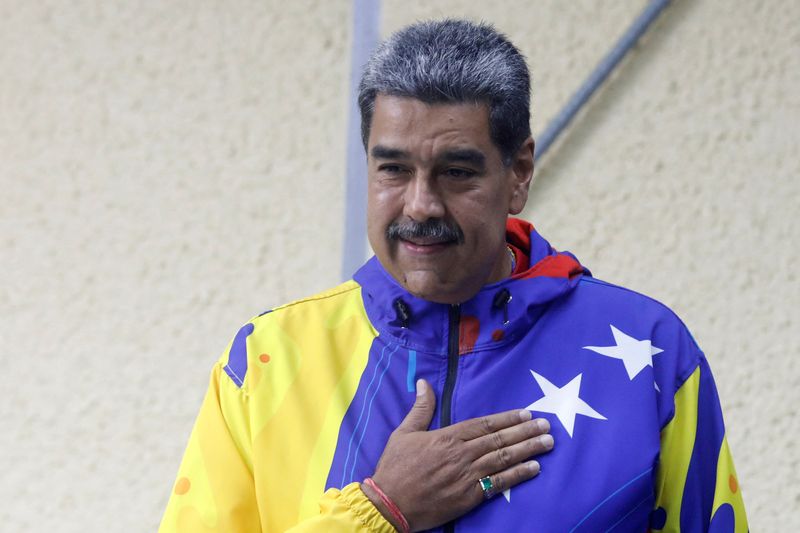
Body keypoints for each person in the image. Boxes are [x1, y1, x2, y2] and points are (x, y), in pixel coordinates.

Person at [159, 19, 747, 532]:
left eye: (456, 172)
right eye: (393, 169)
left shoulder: (651, 349)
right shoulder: (268, 359)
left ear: (518, 172)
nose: (420, 205)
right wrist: (381, 510)